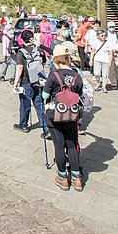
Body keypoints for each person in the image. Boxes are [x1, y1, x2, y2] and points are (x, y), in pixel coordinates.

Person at [42, 45, 84, 192]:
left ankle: (62, 177)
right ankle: (76, 177)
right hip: (72, 115)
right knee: (72, 144)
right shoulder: (77, 75)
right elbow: (79, 93)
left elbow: (45, 95)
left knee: (59, 145)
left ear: (56, 59)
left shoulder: (54, 75)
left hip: (56, 115)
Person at [12, 30, 47, 135]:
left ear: (22, 40)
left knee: (25, 103)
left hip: (26, 81)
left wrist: (16, 82)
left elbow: (20, 67)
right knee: (39, 103)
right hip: (38, 79)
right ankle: (45, 127)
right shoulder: (39, 50)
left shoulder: (21, 52)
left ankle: (23, 124)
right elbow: (43, 62)